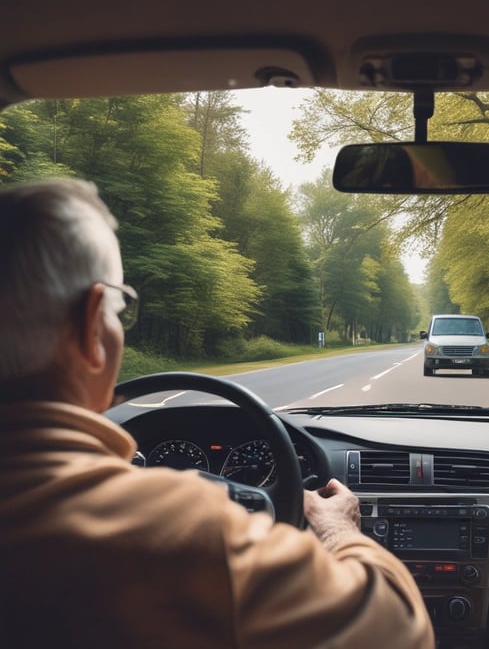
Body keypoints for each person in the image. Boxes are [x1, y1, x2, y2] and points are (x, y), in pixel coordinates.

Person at [0, 178, 434, 648]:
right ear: (92, 327)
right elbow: (399, 632)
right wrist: (338, 530)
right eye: (119, 308)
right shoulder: (184, 528)